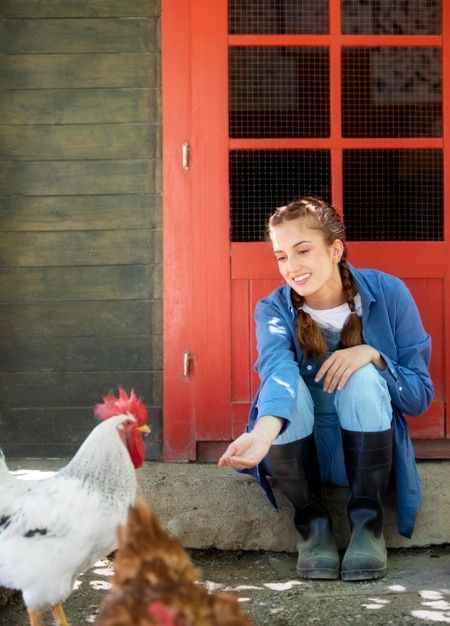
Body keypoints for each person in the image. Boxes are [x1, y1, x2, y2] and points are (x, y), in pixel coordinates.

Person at [219, 197, 433, 582]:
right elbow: (277, 373)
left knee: (364, 375)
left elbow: (418, 396)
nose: (292, 267)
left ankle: (367, 527)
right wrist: (263, 431)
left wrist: (373, 356)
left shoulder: (389, 294)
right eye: (282, 256)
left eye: (303, 251)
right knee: (293, 387)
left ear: (335, 250)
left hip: (367, 450)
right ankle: (313, 527)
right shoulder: (274, 309)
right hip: (303, 449)